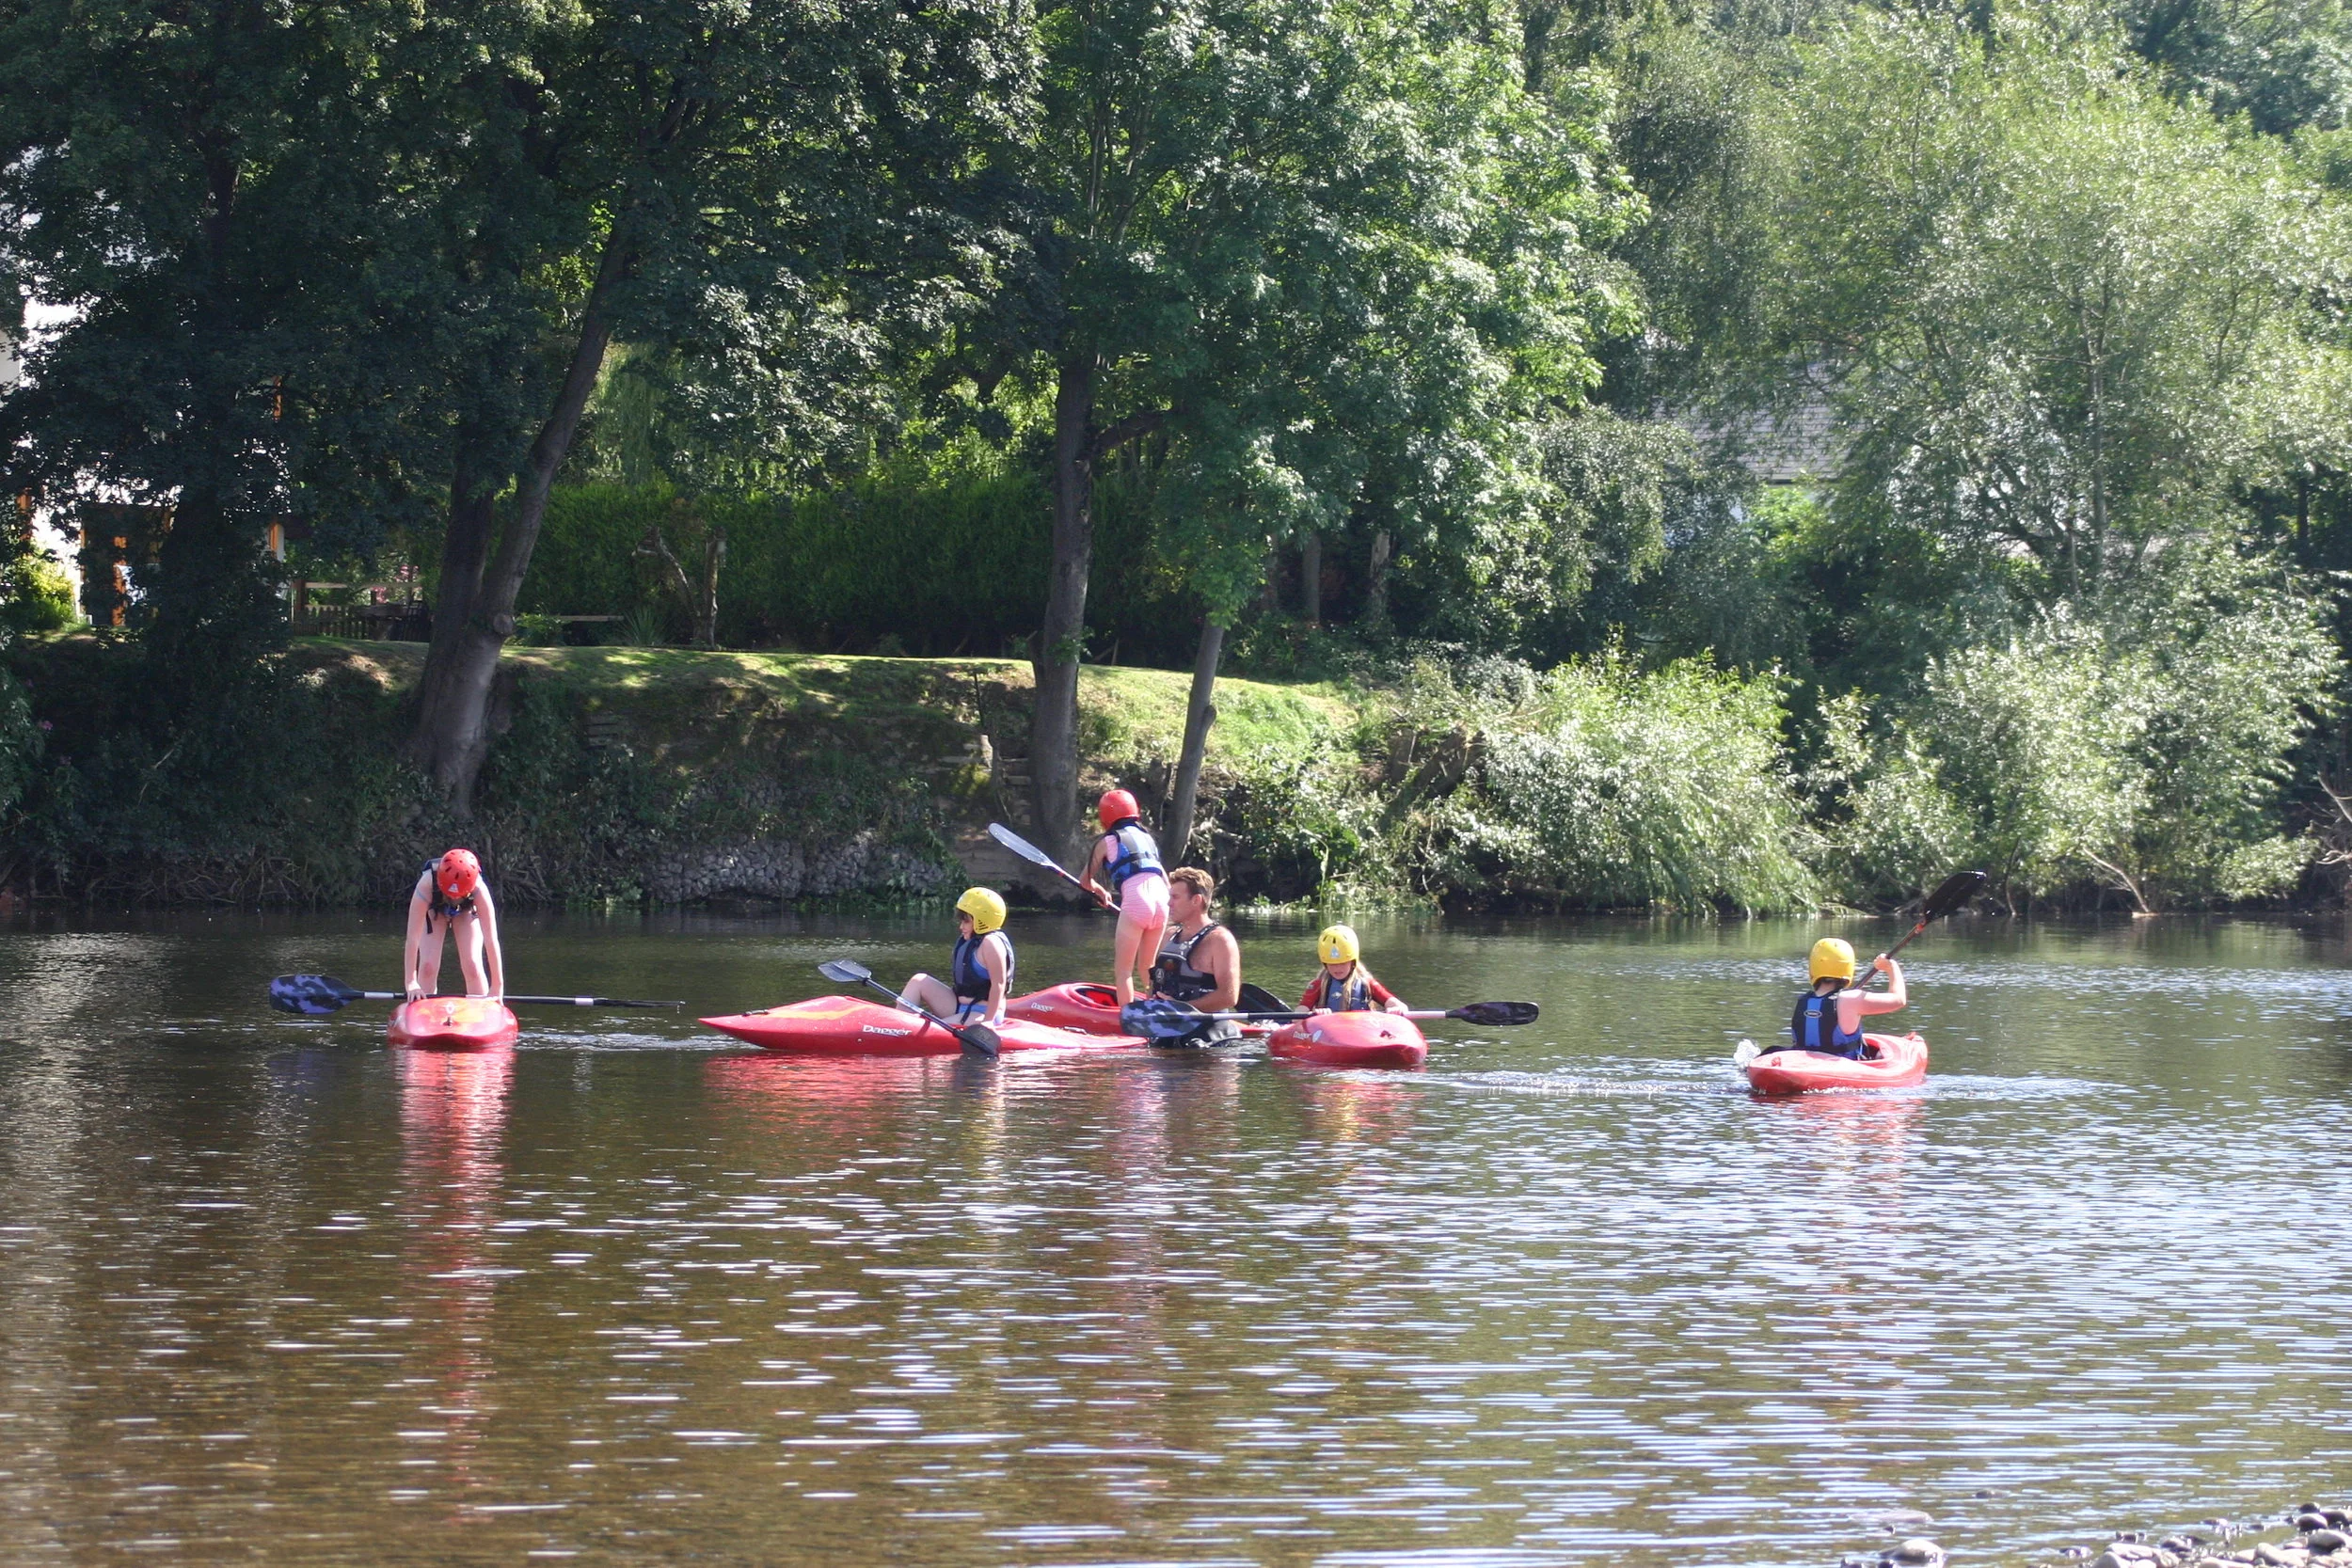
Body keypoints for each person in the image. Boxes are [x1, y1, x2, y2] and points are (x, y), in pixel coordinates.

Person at [1079, 788, 1169, 1006]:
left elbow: (1084, 881)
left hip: (1137, 903)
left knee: (1124, 971)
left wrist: (1099, 890)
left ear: (1105, 817)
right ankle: (1157, 1010)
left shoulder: (1108, 841)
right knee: (1148, 967)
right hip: (1163, 901)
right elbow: (1165, 880)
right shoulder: (1148, 838)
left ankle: (1128, 1019)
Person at [1147, 866, 1243, 1041]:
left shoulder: (1220, 940)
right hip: (1166, 1031)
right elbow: (1155, 981)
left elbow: (1229, 997)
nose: (1169, 903)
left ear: (1196, 900)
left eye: (1175, 897)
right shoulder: (1169, 935)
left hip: (1206, 1039)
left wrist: (1182, 1009)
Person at [898, 887, 1015, 1027]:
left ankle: (910, 1032)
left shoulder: (991, 944)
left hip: (982, 1013)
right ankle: (899, 1027)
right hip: (958, 1005)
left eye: (966, 921)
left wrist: (988, 1022)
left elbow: (999, 984)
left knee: (935, 1027)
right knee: (918, 981)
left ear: (982, 920)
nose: (961, 926)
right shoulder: (971, 940)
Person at [404, 848, 505, 1003]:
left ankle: (482, 1010)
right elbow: (412, 938)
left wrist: (497, 987)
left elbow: (491, 940)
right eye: (450, 894)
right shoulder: (426, 885)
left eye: (458, 896)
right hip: (434, 910)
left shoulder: (479, 889)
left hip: (466, 911)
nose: (453, 899)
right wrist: (411, 982)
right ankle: (422, 1008)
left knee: (472, 965)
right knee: (427, 967)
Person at [1790, 937, 1905, 1058]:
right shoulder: (1851, 998)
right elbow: (1899, 1000)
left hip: (1803, 1066)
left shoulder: (1803, 1000)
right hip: (1841, 1069)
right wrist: (1891, 967)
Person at [1299, 924, 1408, 1014]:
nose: (1337, 968)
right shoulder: (1318, 984)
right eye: (1332, 964)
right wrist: (1314, 1014)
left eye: (1342, 963)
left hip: (1360, 1031)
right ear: (1325, 964)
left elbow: (1399, 1005)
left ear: (1352, 961)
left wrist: (1397, 1009)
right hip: (1327, 1032)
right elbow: (1298, 1014)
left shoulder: (1367, 983)